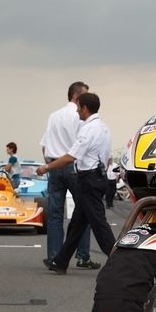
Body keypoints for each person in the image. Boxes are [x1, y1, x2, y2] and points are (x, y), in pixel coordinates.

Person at [36, 93, 116, 274]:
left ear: (85, 108)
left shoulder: (89, 130)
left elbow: (71, 156)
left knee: (98, 223)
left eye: (79, 107)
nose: (77, 111)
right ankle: (61, 261)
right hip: (97, 177)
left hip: (89, 180)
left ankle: (118, 260)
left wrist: (47, 167)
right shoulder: (103, 128)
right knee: (78, 224)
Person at [39, 81, 97, 270]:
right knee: (83, 211)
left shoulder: (54, 116)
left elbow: (44, 145)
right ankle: (82, 256)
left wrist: (50, 165)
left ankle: (54, 256)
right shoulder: (80, 116)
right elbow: (84, 144)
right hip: (73, 165)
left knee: (55, 215)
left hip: (54, 165)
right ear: (76, 96)